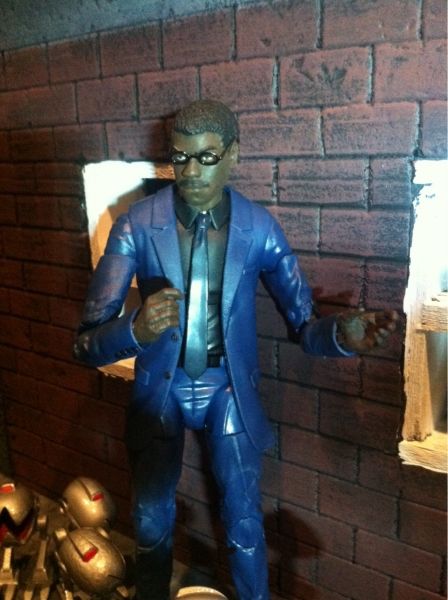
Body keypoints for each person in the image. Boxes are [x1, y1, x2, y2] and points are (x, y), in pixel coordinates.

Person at [74, 100, 397, 600]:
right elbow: (86, 344)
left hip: (228, 390)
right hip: (162, 390)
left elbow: (304, 326)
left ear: (233, 155)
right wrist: (135, 329)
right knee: (151, 520)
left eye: (206, 157)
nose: (191, 171)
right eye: (180, 157)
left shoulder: (259, 229)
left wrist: (340, 335)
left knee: (245, 521)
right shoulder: (137, 225)